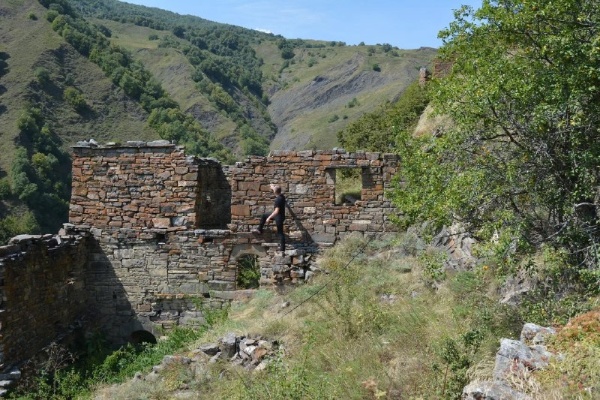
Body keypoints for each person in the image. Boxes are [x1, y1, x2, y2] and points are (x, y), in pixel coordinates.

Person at [253, 184, 286, 251]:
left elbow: (276, 211)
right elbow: (277, 189)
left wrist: (269, 218)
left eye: (273, 190)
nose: (273, 190)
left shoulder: (278, 200)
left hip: (279, 217)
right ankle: (259, 230)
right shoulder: (282, 196)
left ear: (275, 192)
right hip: (280, 215)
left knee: (280, 233)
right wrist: (272, 186)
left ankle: (282, 249)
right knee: (264, 215)